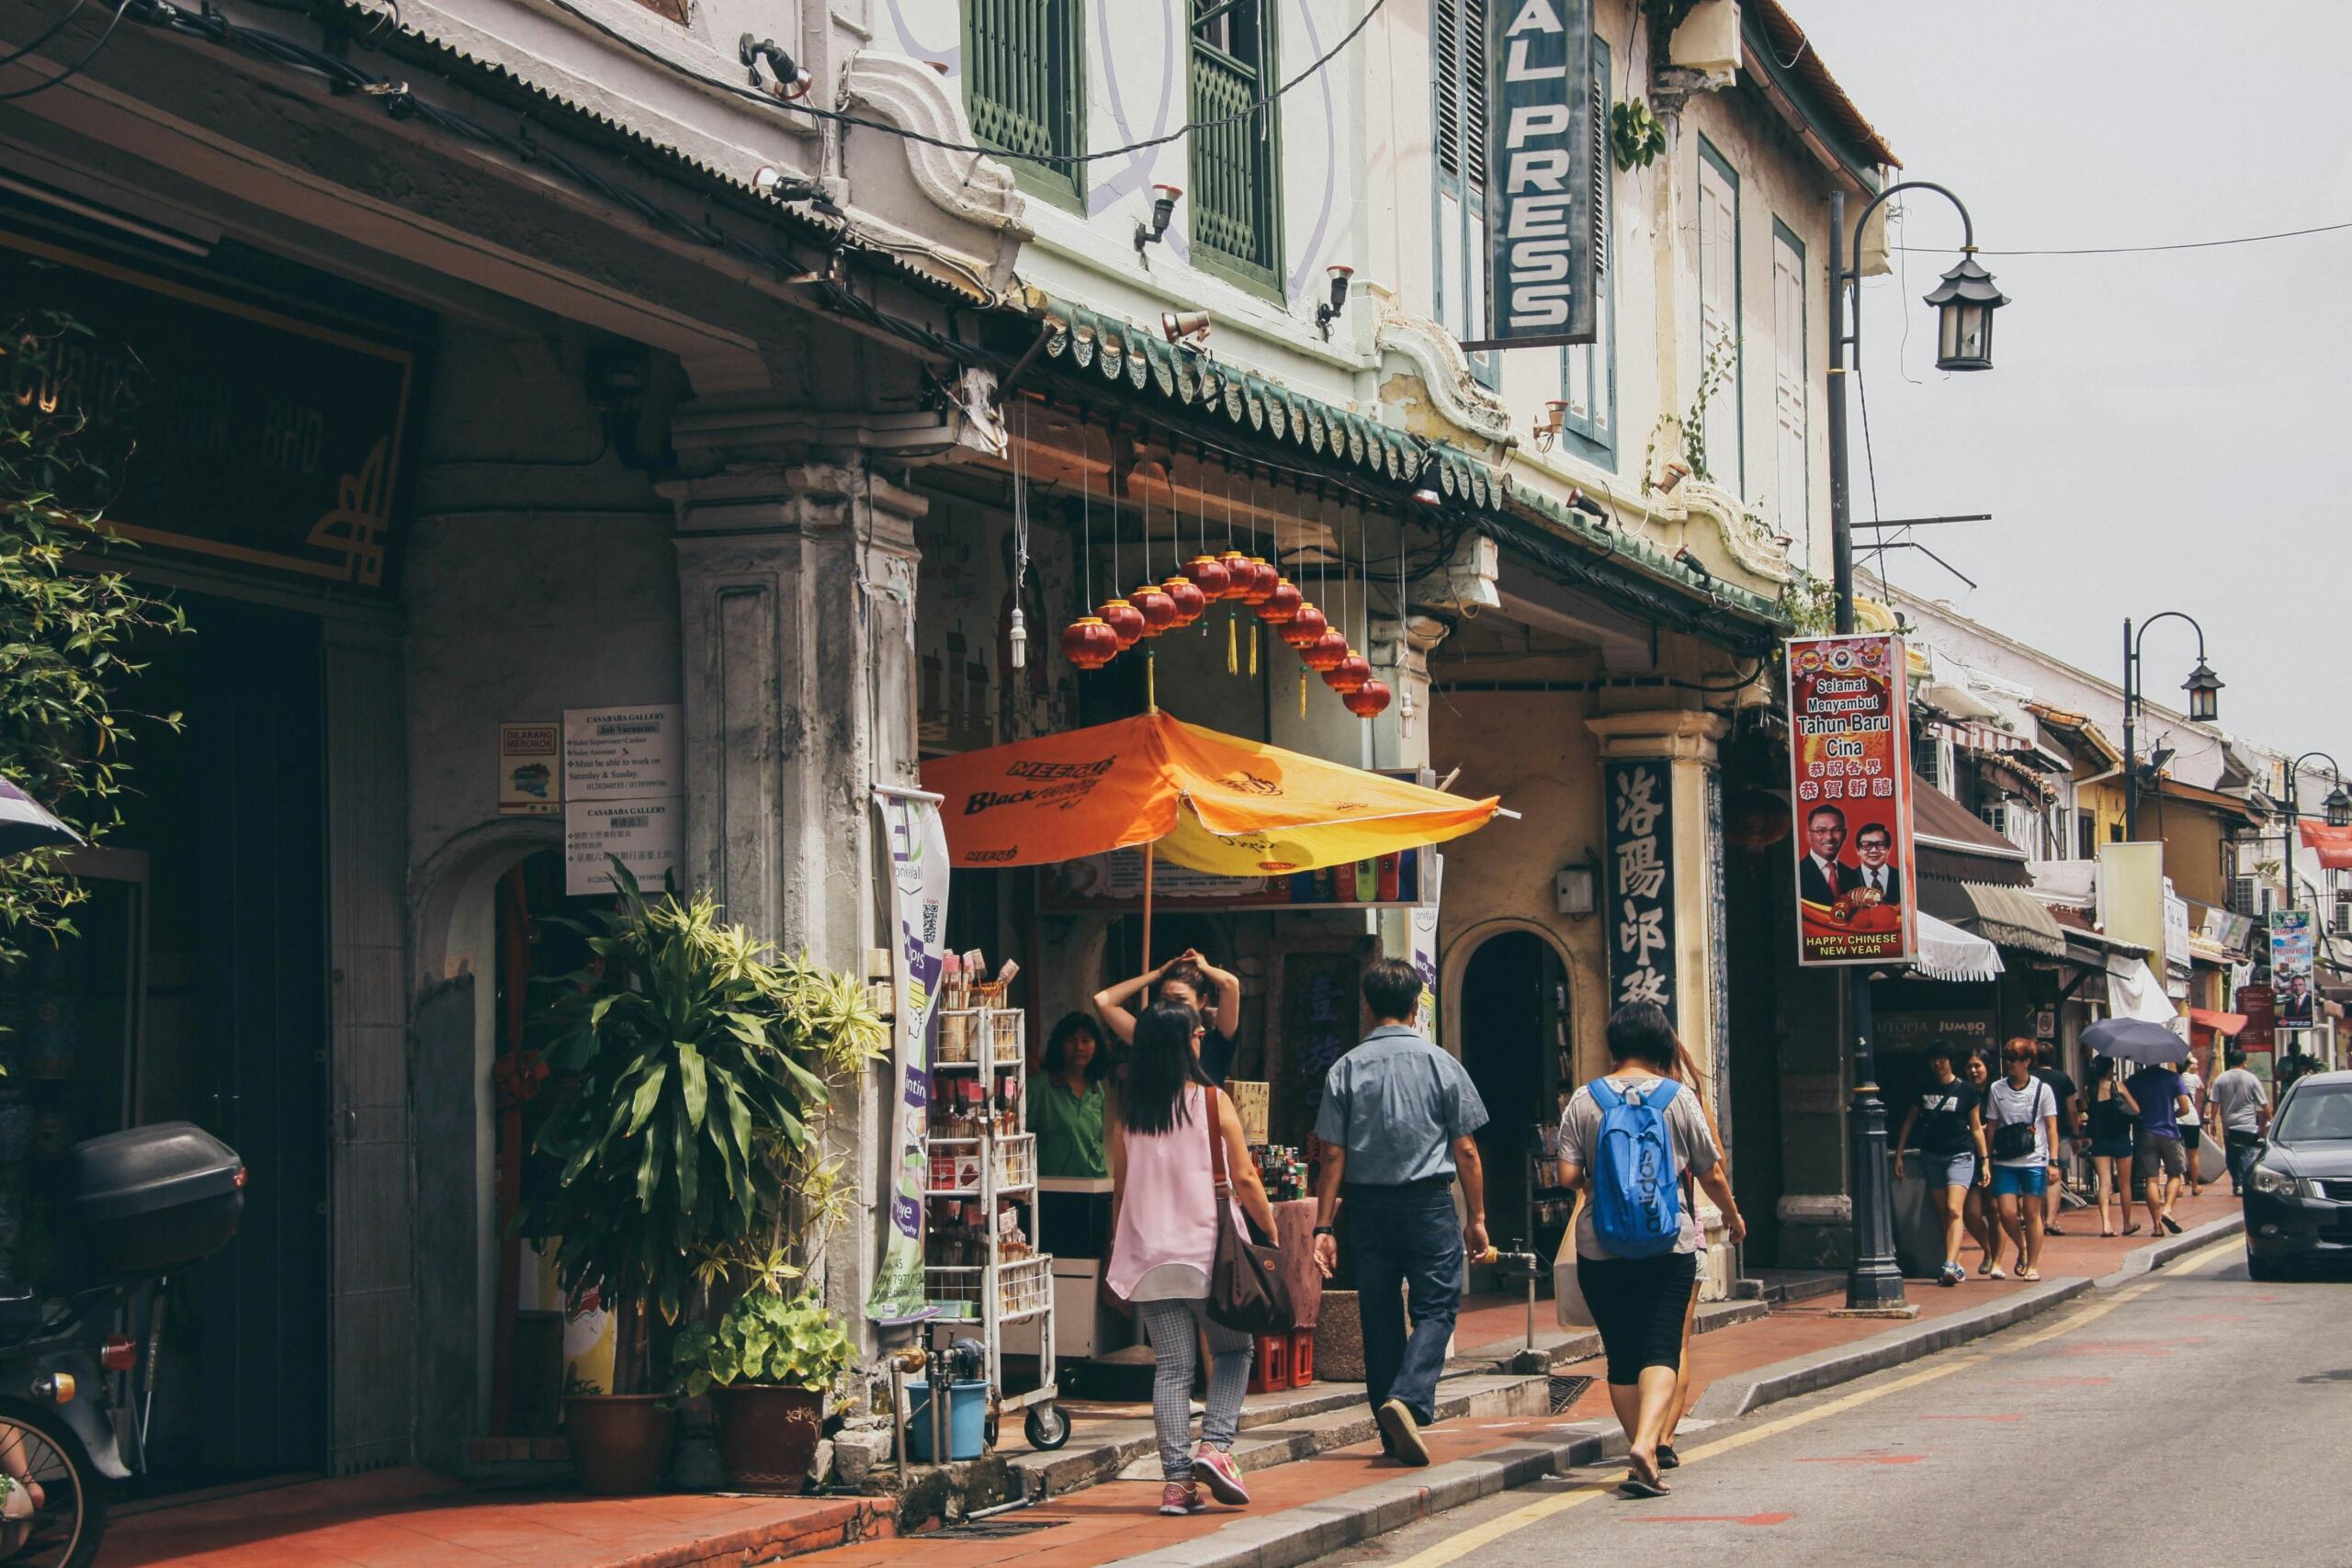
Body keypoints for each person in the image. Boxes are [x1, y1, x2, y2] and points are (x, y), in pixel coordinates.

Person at [1555, 1003, 1742, 1497]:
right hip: (1669, 1244)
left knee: (1620, 1353)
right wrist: (1733, 1216)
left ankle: (1634, 1448)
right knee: (1662, 1347)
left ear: (1613, 1045)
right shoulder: (1678, 1098)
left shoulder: (1583, 1100)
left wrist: (1603, 1180)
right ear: (1662, 1043)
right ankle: (1647, 1446)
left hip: (1601, 1244)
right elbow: (1710, 1172)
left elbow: (1567, 1177)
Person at [1310, 958, 1489, 1468]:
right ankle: (1408, 1399)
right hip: (1428, 1203)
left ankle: (1392, 1433)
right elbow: (1468, 1150)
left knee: (1379, 1314)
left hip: (1366, 1208)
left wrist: (1324, 1226)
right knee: (1437, 1308)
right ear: (1416, 1007)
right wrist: (1475, 1217)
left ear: (1366, 1005)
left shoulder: (1344, 1068)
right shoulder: (1440, 1063)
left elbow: (1333, 1157)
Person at [1105, 1002, 1276, 1517]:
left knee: (1173, 1370)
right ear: (1184, 1043)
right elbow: (1245, 1179)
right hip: (1207, 1255)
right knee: (1233, 1352)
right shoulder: (1209, 1101)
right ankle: (1216, 1447)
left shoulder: (1130, 1112)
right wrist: (1271, 1233)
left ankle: (1177, 1484)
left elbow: (1121, 1192)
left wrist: (1119, 1253)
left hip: (1149, 1259)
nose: (1203, 1036)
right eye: (1197, 1031)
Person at [1657, 1037, 1726, 1466]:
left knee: (1638, 1343)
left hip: (1621, 1236)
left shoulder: (1605, 1096)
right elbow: (1714, 1167)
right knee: (1676, 1343)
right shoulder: (1689, 1098)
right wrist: (1732, 1216)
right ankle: (1662, 1438)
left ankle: (1643, 1434)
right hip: (1683, 1228)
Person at [1894, 1042, 1990, 1285]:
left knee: (1954, 1209)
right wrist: (1899, 1154)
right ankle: (1952, 1259)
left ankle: (1949, 1265)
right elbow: (1909, 1122)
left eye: (1942, 1059)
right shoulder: (1923, 1089)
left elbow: (1977, 1128)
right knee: (1941, 1212)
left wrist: (1985, 1161)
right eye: (1934, 1060)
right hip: (1931, 1155)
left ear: (1950, 1061)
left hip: (1960, 1154)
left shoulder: (1967, 1091)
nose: (1938, 1064)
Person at [1096, 949, 1243, 1084]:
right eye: (1166, 999)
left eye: (1181, 999)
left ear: (1201, 1001)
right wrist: (1157, 974)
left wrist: (1204, 966)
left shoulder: (1217, 1041)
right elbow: (1103, 1001)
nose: (1173, 1007)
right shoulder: (1151, 1039)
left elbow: (1230, 984)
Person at [1984, 1040, 2060, 1281]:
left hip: (2034, 1159)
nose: (2008, 1064)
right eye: (2006, 1059)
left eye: (2013, 1059)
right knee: (2006, 1211)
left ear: (2026, 1062)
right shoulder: (1997, 1089)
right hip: (2005, 1160)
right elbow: (1992, 1126)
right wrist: (1986, 1159)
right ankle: (2023, 1248)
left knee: (2031, 1213)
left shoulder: (2042, 1089)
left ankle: (2033, 1266)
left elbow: (2051, 1127)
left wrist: (2053, 1161)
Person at [1030, 1012, 1110, 1179]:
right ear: (1059, 1045)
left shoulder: (1096, 1089)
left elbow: (1097, 1141)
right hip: (1051, 1189)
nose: (1079, 1047)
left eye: (1086, 1040)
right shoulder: (1040, 1086)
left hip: (1094, 1187)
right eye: (1071, 1040)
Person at [2124, 1057, 2195, 1236]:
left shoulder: (2135, 1080)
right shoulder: (2173, 1078)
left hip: (2144, 1133)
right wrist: (2172, 1114)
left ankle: (2156, 1226)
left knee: (2151, 1180)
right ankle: (2168, 1210)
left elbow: (2126, 1104)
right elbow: (2185, 1108)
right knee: (2175, 1174)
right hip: (2169, 1132)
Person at [2082, 1055, 2142, 1237]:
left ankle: (2106, 1225)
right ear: (2110, 1069)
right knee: (2125, 1184)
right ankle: (2127, 1223)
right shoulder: (2119, 1086)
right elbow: (2136, 1110)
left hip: (2100, 1140)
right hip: (2120, 1138)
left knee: (2104, 1184)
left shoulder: (2089, 1089)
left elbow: (2087, 1109)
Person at [1960, 1050, 2004, 1274]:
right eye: (1969, 1066)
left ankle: (1997, 1260)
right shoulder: (1962, 1092)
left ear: (1988, 1067)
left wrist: (1984, 1129)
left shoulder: (1996, 1092)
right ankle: (1987, 1250)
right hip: (1970, 1157)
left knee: (1995, 1210)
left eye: (1978, 1066)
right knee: (1972, 1212)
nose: (1973, 1071)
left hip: (1994, 1157)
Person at [2207, 1048, 2271, 1196]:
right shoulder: (2251, 1078)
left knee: (2232, 1153)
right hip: (2247, 1122)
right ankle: (2242, 1182)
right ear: (2244, 1062)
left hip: (2229, 1123)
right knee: (2246, 1152)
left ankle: (2237, 1182)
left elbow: (2215, 1102)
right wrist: (2270, 1118)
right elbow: (2263, 1102)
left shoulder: (2220, 1079)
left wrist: (2212, 1121)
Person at [2033, 1044, 2081, 1235]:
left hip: (2034, 1133)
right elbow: (2072, 1110)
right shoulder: (2063, 1079)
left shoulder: (2030, 1077)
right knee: (2055, 1176)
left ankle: (2034, 1219)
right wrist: (2076, 1134)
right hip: (2059, 1132)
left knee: (2035, 1174)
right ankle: (2050, 1221)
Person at [1798, 805, 1861, 906]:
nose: (1829, 837)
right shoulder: (1797, 872)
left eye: (1836, 830)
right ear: (1809, 835)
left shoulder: (1853, 876)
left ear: (1845, 834)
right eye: (1821, 831)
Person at [2177, 1056, 2209, 1198]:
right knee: (2193, 1154)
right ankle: (2195, 1185)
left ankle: (2178, 1186)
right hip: (2191, 1119)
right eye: (2195, 1064)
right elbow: (2202, 1087)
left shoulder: (2175, 1079)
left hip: (2176, 1118)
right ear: (2190, 1065)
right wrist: (2195, 1073)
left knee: (2176, 1153)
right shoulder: (2193, 1078)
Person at [1850, 821, 1902, 904]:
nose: (1874, 850)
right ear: (1858, 850)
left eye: (1880, 844)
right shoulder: (1847, 879)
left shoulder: (1902, 877)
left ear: (1888, 849)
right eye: (1867, 845)